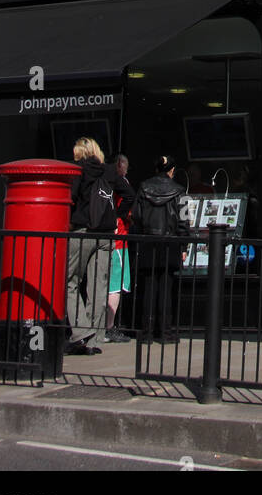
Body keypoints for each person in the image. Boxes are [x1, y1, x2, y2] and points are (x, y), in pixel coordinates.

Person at [66, 137, 134, 355]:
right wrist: (116, 217)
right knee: (99, 287)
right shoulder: (110, 171)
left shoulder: (77, 170)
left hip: (83, 230)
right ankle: (95, 339)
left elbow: (71, 197)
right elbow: (130, 195)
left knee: (70, 281)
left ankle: (80, 329)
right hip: (106, 234)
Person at [131, 155, 188, 344]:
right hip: (170, 241)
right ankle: (165, 332)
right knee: (166, 287)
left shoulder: (143, 187)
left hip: (148, 240)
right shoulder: (180, 191)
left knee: (149, 286)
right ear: (172, 171)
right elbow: (184, 220)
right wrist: (184, 245)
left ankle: (146, 333)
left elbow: (136, 216)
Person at [104, 154, 134, 343]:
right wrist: (120, 216)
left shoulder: (101, 182)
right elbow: (129, 205)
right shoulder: (121, 183)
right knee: (115, 285)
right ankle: (108, 327)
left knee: (101, 283)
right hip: (118, 239)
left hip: (102, 237)